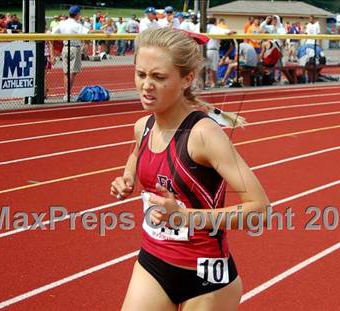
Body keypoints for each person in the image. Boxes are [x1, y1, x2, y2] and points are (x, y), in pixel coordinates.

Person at [110, 27, 270, 311]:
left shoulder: (204, 135)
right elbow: (136, 154)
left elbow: (260, 208)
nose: (147, 85)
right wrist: (127, 178)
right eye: (141, 74)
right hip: (153, 263)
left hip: (205, 275)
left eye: (159, 77)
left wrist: (186, 217)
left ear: (187, 79)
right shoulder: (143, 126)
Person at [52, 5, 101, 101]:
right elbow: (88, 33)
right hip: (74, 48)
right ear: (77, 14)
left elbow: (53, 33)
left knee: (66, 73)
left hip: (65, 48)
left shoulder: (62, 23)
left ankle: (66, 94)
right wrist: (102, 31)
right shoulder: (76, 25)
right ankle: (68, 94)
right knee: (72, 73)